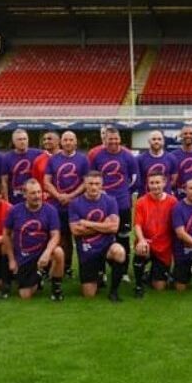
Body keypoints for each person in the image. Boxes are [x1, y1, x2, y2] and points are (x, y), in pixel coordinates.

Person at [90, 126, 139, 283]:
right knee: (100, 237)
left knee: (123, 237)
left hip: (123, 204)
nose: (113, 142)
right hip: (102, 204)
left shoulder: (128, 156)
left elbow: (134, 178)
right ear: (104, 140)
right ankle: (100, 271)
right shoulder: (97, 156)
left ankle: (123, 271)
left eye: (116, 138)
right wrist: (100, 193)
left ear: (120, 139)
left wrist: (124, 191)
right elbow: (92, 178)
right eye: (110, 139)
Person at [3, 178, 65, 300]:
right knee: (25, 295)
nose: (37, 196)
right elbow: (6, 234)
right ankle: (39, 275)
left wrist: (47, 253)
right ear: (25, 194)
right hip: (24, 256)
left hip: (43, 254)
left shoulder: (50, 210)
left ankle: (56, 289)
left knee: (58, 252)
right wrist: (11, 259)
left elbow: (56, 235)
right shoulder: (14, 211)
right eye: (33, 193)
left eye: (38, 192)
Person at [69, 171, 127, 301]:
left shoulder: (111, 201)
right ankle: (98, 276)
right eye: (90, 184)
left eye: (97, 184)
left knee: (119, 252)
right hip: (87, 250)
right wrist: (103, 226)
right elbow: (76, 231)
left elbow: (114, 227)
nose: (94, 187)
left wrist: (87, 223)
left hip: (107, 246)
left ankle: (114, 292)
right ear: (85, 184)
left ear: (102, 185)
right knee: (89, 294)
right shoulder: (75, 203)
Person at [44, 130, 88, 277]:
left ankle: (82, 268)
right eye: (65, 140)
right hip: (57, 205)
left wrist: (71, 196)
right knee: (61, 237)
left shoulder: (83, 159)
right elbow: (46, 181)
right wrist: (58, 196)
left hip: (77, 205)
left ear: (76, 142)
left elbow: (86, 182)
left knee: (79, 237)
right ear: (61, 142)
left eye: (71, 140)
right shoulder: (53, 159)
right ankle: (63, 266)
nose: (68, 143)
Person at [132, 172, 178, 297]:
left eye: (157, 182)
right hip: (147, 243)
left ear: (164, 183)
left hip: (164, 247)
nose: (155, 186)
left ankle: (149, 275)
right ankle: (138, 285)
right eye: (152, 183)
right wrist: (141, 240)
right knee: (141, 249)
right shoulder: (141, 201)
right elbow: (137, 225)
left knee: (159, 287)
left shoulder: (173, 202)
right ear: (148, 184)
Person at [1, 128, 44, 204]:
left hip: (35, 197)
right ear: (14, 141)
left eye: (24, 139)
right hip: (15, 198)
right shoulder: (6, 158)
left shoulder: (39, 154)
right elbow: (4, 181)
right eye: (19, 139)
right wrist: (6, 201)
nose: (22, 142)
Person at [137, 130, 178, 194]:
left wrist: (162, 189)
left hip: (165, 199)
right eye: (154, 139)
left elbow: (173, 180)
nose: (156, 141)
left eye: (159, 139)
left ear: (163, 141)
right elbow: (138, 180)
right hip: (145, 197)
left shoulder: (171, 158)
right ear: (149, 141)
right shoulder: (140, 159)